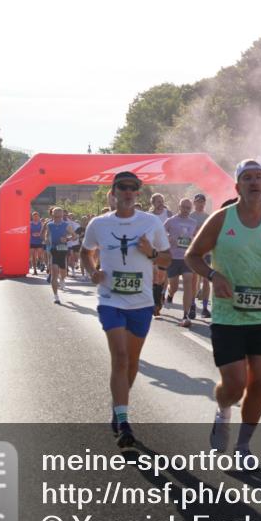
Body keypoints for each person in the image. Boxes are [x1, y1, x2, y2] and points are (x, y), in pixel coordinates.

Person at [185, 160, 261, 460]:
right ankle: (223, 411)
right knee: (235, 385)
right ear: (237, 187)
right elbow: (192, 255)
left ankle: (244, 446)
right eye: (247, 178)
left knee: (259, 382)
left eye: (259, 177)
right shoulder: (222, 219)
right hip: (228, 315)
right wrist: (212, 275)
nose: (254, 182)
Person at [82, 171, 171, 448]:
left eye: (134, 188)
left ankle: (117, 407)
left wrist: (152, 254)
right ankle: (124, 422)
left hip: (141, 302)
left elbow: (168, 258)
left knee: (132, 362)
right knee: (120, 357)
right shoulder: (99, 224)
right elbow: (86, 252)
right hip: (110, 299)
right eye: (124, 187)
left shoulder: (151, 222)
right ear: (114, 192)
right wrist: (92, 270)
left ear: (138, 193)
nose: (129, 192)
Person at [164, 198, 199, 328]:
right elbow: (161, 233)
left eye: (188, 208)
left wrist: (193, 240)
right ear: (179, 207)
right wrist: (169, 238)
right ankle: (170, 294)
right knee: (173, 285)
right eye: (184, 207)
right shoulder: (171, 221)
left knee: (188, 282)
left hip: (186, 258)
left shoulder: (193, 222)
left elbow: (197, 237)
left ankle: (186, 314)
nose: (186, 210)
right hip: (173, 258)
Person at [43, 207, 74, 304]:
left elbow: (74, 236)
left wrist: (67, 239)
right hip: (53, 250)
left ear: (62, 216)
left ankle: (62, 279)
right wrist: (46, 239)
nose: (58, 218)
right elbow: (47, 235)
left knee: (63, 272)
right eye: (56, 216)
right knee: (54, 273)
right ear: (52, 215)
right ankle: (56, 296)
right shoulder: (49, 225)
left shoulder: (66, 225)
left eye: (59, 216)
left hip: (63, 250)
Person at [191, 193, 212, 319]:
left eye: (202, 201)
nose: (200, 204)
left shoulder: (208, 217)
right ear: (194, 203)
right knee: (194, 280)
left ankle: (204, 307)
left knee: (206, 280)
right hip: (194, 253)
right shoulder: (190, 216)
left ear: (205, 203)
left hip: (206, 252)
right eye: (198, 201)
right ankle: (192, 305)